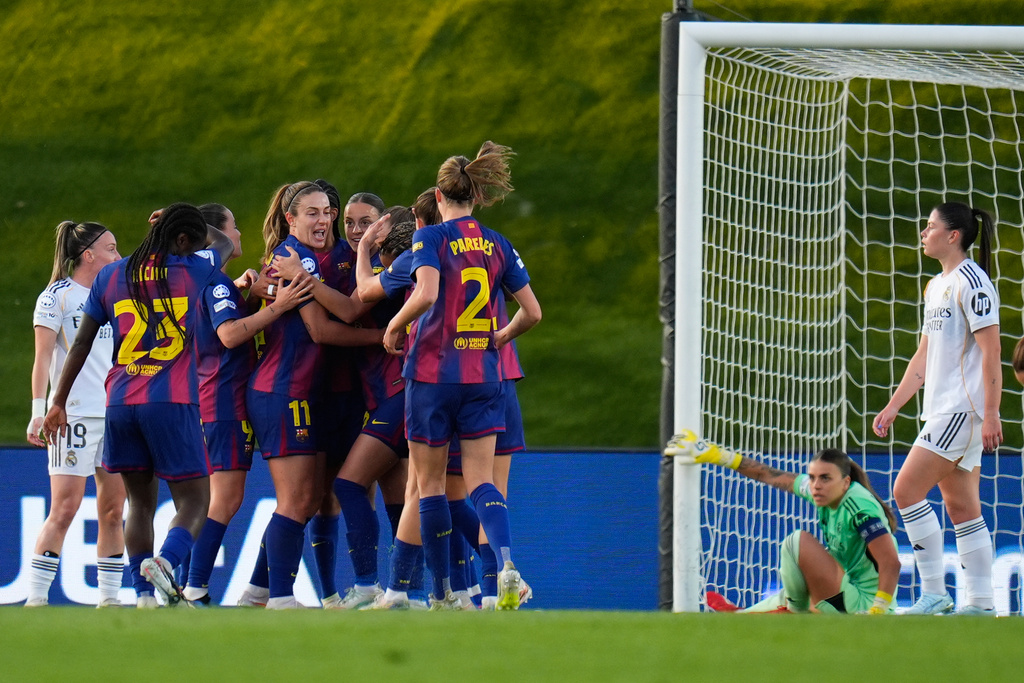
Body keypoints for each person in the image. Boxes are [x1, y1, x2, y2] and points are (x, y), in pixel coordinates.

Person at [42, 203, 234, 608]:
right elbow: (224, 244)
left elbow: (80, 344)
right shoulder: (197, 270)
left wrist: (56, 401)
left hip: (121, 401)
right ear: (183, 240)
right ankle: (165, 563)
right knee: (196, 500)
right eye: (191, 241)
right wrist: (188, 225)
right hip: (171, 399)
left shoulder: (112, 274)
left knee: (139, 503)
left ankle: (145, 597)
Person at [383, 142, 542, 610]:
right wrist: (500, 336)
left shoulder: (430, 238)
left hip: (434, 375)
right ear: (476, 196)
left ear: (438, 195)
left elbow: (427, 293)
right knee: (480, 481)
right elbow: (532, 313)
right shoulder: (497, 243)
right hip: (483, 376)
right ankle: (506, 564)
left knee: (429, 485)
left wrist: (394, 325)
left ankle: (441, 593)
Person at [243, 181, 383, 609]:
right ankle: (282, 598)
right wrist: (386, 336)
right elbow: (322, 328)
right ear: (291, 218)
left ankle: (261, 591)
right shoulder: (289, 257)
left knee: (320, 498)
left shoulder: (336, 256)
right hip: (287, 391)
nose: (324, 220)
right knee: (301, 500)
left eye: (328, 212)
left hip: (325, 393)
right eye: (313, 213)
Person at [873, 202, 1001, 616]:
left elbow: (992, 352)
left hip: (960, 411)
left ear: (953, 235)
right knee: (962, 507)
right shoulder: (935, 286)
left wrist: (992, 412)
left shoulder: (973, 283)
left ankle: (934, 593)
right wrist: (894, 405)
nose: (923, 233)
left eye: (930, 227)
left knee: (905, 491)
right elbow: (924, 357)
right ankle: (981, 603)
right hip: (944, 410)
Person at [183, 203, 313, 605]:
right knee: (225, 498)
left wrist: (249, 294)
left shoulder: (207, 281)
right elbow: (229, 335)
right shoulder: (216, 282)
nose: (239, 234)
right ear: (217, 236)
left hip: (213, 395)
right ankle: (193, 586)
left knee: (225, 497)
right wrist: (278, 307)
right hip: (224, 398)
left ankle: (200, 586)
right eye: (234, 227)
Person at [672, 431, 901, 614]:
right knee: (744, 618)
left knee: (795, 542)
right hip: (842, 590)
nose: (816, 485)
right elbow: (769, 475)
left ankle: (795, 612)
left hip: (864, 604)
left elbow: (891, 562)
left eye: (825, 478)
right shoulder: (821, 492)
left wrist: (877, 612)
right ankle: (767, 611)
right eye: (812, 477)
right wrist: (718, 455)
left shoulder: (860, 507)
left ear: (846, 482)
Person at [25, 221, 126, 607]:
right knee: (65, 507)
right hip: (73, 416)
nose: (118, 256)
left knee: (113, 509)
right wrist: (41, 410)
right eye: (112, 249)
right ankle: (36, 599)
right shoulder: (57, 298)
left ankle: (110, 600)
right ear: (89, 255)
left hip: (113, 414)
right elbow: (43, 358)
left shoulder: (116, 295)